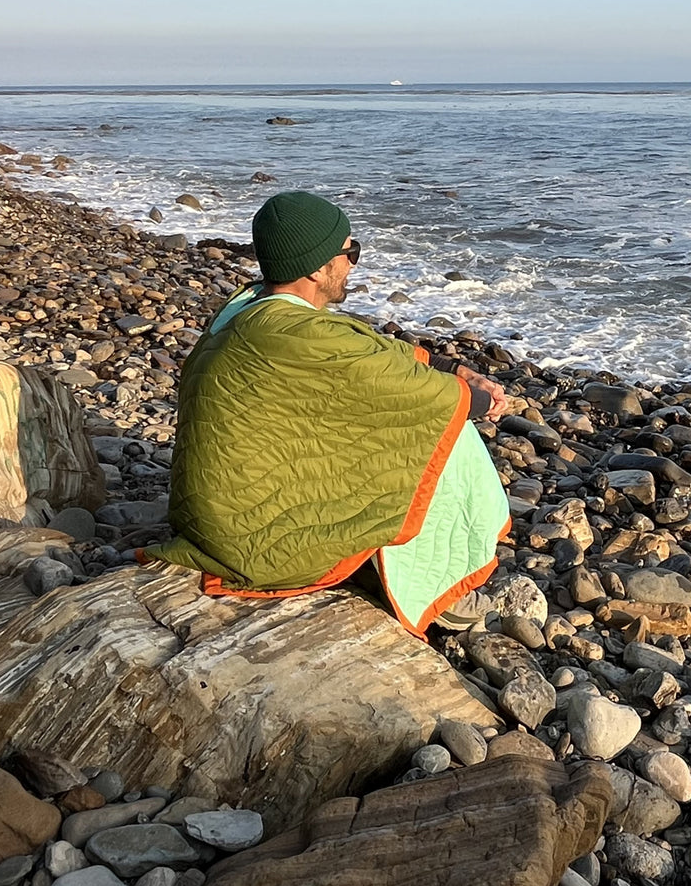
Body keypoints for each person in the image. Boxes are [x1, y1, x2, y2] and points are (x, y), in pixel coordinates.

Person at [140, 191, 511, 637]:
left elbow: (378, 355)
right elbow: (412, 387)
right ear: (317, 268)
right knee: (437, 426)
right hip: (244, 532)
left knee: (390, 419)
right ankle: (436, 588)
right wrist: (483, 400)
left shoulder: (250, 307)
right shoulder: (298, 333)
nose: (354, 263)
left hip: (212, 506)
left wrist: (455, 367)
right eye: (349, 251)